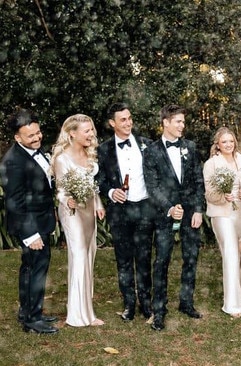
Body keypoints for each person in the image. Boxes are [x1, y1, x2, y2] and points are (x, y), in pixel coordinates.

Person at [143, 104, 205, 331]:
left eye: (183, 122)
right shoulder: (151, 151)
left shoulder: (190, 147)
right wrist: (170, 208)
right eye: (178, 121)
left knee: (191, 258)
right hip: (163, 214)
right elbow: (152, 186)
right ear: (165, 122)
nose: (182, 125)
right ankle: (158, 310)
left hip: (191, 214)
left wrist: (197, 209)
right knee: (161, 261)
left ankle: (186, 303)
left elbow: (198, 181)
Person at [0, 109, 59, 334]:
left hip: (41, 220)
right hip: (30, 226)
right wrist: (30, 234)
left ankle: (29, 312)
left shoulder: (36, 150)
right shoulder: (13, 162)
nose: (37, 138)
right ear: (17, 138)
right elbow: (15, 202)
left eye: (38, 133)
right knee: (34, 269)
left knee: (32, 268)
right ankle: (32, 320)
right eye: (30, 136)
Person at [97, 103, 155, 322]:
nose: (128, 122)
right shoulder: (104, 150)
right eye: (123, 119)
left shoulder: (146, 144)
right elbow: (100, 180)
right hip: (120, 211)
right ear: (112, 123)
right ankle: (129, 304)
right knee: (123, 259)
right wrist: (111, 192)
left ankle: (146, 304)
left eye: (129, 118)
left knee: (144, 256)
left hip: (144, 208)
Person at [51, 114, 106, 327]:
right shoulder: (62, 159)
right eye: (86, 131)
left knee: (89, 256)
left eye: (92, 130)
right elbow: (60, 192)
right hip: (72, 213)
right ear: (72, 133)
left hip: (89, 212)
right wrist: (68, 200)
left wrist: (99, 204)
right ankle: (77, 315)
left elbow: (92, 187)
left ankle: (87, 311)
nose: (91, 134)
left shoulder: (88, 154)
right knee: (80, 256)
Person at [204, 127, 241, 319]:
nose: (228, 145)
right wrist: (222, 196)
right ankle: (232, 303)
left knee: (240, 251)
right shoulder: (211, 164)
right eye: (224, 142)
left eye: (231, 141)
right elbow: (209, 193)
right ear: (218, 144)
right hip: (221, 213)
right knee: (231, 252)